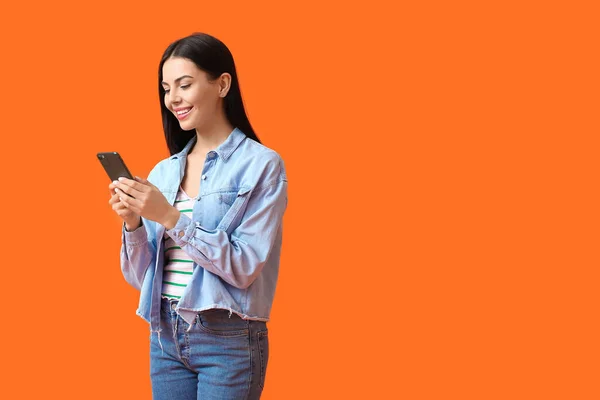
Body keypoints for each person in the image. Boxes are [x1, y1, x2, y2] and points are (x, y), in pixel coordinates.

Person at [107, 32, 288, 400]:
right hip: (165, 335)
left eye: (184, 85)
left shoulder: (262, 166)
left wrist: (171, 217)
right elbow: (140, 277)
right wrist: (134, 224)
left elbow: (244, 265)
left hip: (229, 339)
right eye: (166, 88)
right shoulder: (163, 173)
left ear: (222, 84)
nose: (173, 98)